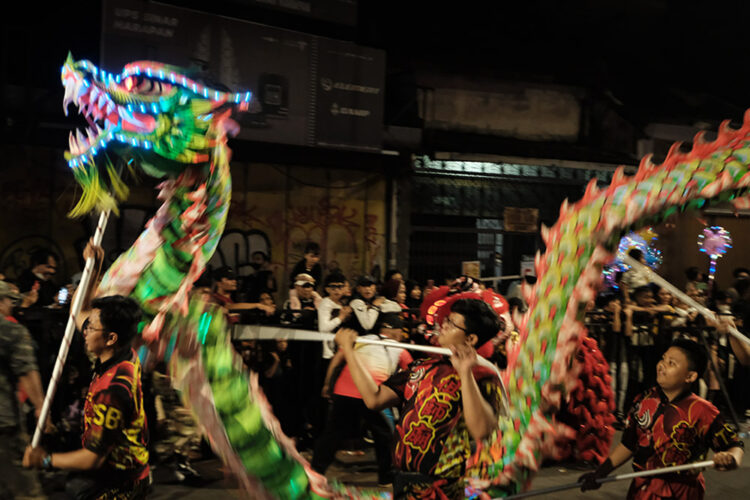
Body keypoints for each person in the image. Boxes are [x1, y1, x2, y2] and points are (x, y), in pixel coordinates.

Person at [334, 298, 507, 499]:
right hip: (404, 478)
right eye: (446, 321)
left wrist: (465, 372)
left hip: (442, 486)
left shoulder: (483, 375)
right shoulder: (421, 366)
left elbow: (481, 429)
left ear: (470, 339)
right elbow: (375, 399)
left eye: (451, 324)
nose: (443, 326)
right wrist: (350, 352)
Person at [24, 242, 150, 498]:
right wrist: (93, 268)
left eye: (91, 328)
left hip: (120, 484)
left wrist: (45, 460)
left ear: (111, 338)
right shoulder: (123, 353)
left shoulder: (113, 389)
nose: (85, 331)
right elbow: (78, 312)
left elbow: (92, 459)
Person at [579, 338, 744, 499]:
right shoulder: (643, 399)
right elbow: (629, 444)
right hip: (643, 490)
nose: (662, 365)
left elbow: (734, 445)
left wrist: (731, 458)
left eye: (672, 363)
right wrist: (600, 473)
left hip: (682, 492)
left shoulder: (703, 411)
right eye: (663, 359)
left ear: (690, 376)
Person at [313, 312, 413, 487]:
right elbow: (413, 372)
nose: (402, 335)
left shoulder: (360, 340)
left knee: (333, 434)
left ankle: (315, 471)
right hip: (370, 395)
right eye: (400, 331)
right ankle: (386, 477)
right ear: (393, 331)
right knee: (385, 435)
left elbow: (336, 361)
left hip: (343, 392)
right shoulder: (401, 349)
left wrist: (327, 384)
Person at [0, 282, 46, 499]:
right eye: (9, 301)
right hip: (4, 422)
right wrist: (41, 408)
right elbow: (27, 371)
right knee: (25, 490)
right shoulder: (9, 330)